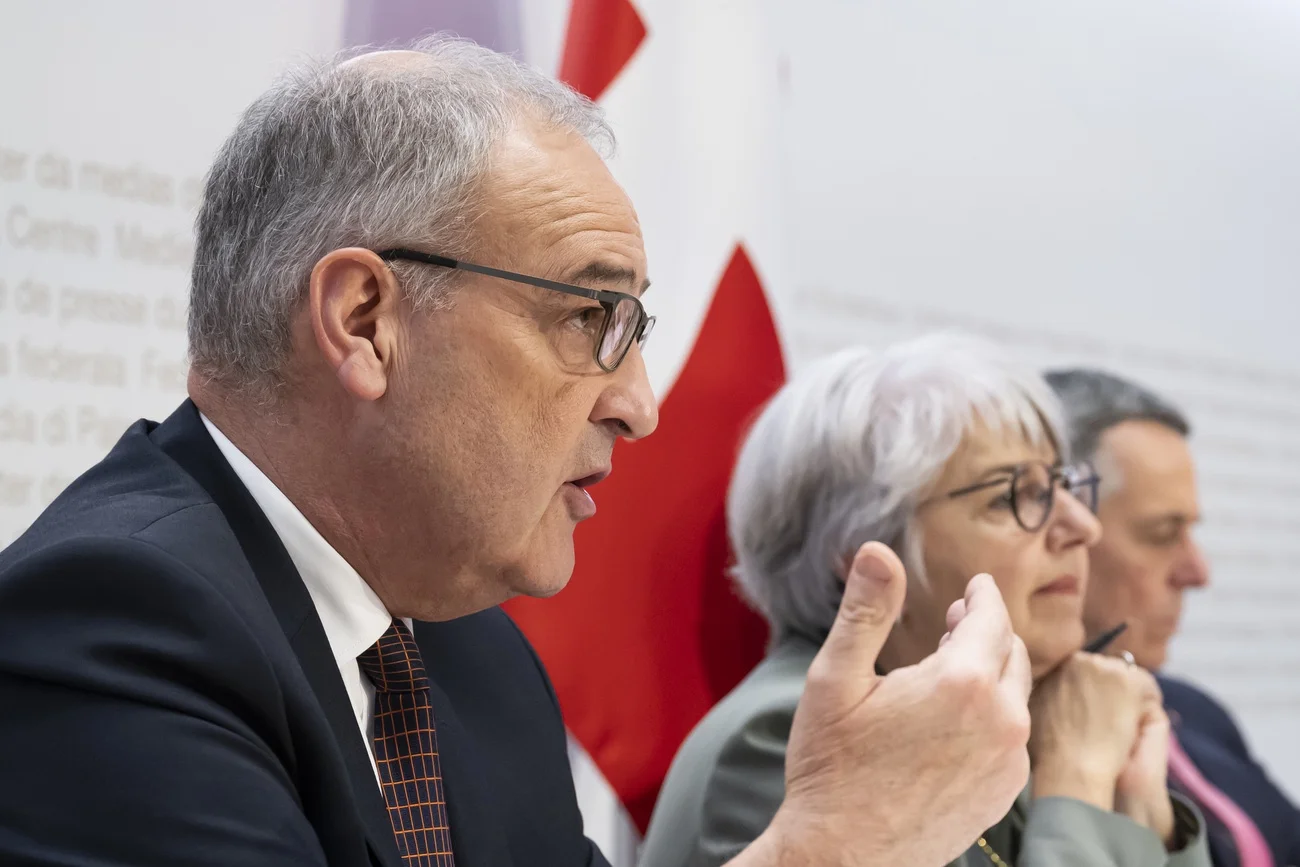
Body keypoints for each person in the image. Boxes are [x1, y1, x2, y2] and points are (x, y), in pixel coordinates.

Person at [0, 38, 1036, 867]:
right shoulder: (107, 621)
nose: (637, 407)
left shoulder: (470, 649)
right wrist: (834, 850)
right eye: (592, 315)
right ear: (365, 321)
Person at [640, 334, 1213, 867]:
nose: (1082, 525)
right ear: (865, 548)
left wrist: (1146, 816)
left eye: (1063, 486)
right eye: (1017, 495)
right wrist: (1078, 785)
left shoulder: (991, 715)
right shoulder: (788, 737)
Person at [1046, 368, 1300, 867]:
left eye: (1190, 531)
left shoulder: (1191, 710)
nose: (1197, 572)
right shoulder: (1019, 765)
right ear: (1060, 533)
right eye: (1162, 534)